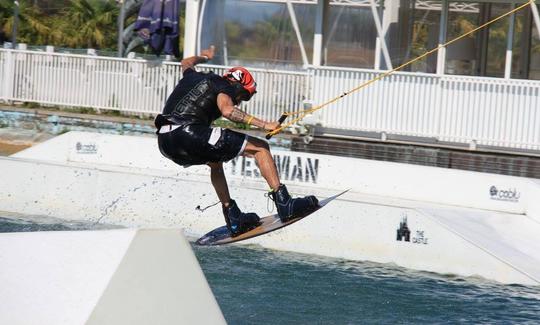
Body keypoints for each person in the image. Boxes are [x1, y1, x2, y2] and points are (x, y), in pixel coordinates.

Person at [155, 46, 318, 236]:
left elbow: (186, 62)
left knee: (215, 162)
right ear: (238, 86)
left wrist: (205, 56)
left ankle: (233, 217)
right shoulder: (224, 85)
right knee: (261, 148)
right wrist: (265, 125)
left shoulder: (192, 76)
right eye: (244, 96)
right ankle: (285, 204)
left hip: (165, 141)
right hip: (188, 133)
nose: (240, 101)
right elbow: (228, 111)